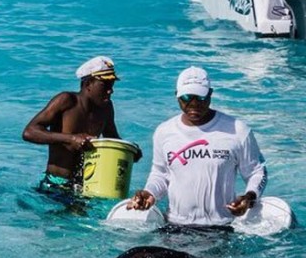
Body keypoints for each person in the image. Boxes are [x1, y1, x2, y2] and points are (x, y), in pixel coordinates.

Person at [128, 66, 267, 226]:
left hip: (221, 227)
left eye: (200, 98)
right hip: (175, 226)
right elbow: (160, 174)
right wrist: (149, 192)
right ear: (177, 96)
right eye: (186, 97)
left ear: (210, 94)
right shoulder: (164, 132)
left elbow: (257, 172)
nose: (193, 104)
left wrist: (249, 197)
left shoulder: (237, 130)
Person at [22, 55, 141, 195]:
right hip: (55, 184)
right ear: (88, 84)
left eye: (112, 85)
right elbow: (29, 132)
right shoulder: (66, 101)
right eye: (105, 85)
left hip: (84, 186)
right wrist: (70, 139)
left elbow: (112, 138)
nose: (110, 91)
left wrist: (129, 150)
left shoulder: (106, 108)